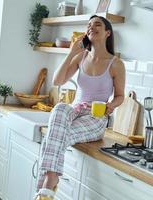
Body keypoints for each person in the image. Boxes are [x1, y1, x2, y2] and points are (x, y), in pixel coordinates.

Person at [35, 15, 125, 200]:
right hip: (75, 110)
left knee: (57, 134)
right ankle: (50, 185)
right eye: (89, 25)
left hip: (96, 116)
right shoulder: (80, 57)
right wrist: (70, 53)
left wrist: (110, 106)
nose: (91, 27)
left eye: (97, 25)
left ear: (108, 32)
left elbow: (120, 96)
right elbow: (57, 81)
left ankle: (46, 186)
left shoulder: (115, 64)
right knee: (60, 108)